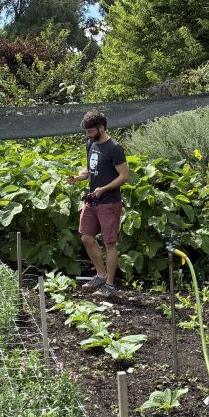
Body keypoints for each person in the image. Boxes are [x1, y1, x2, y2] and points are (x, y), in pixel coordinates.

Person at [66, 110, 129, 298]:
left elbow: (124, 176)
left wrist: (104, 189)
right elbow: (91, 168)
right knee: (86, 237)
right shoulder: (90, 143)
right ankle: (101, 274)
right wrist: (78, 178)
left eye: (91, 131)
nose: (88, 134)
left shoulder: (114, 148)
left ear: (102, 128)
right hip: (92, 200)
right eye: (86, 131)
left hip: (109, 202)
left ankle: (109, 285)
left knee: (110, 243)